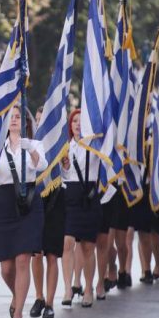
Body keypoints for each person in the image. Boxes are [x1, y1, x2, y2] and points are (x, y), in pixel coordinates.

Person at [0, 105, 46, 318]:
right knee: (6, 267)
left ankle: (18, 314)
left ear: (25, 123)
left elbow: (41, 165)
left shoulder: (34, 144)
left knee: (23, 258)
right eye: (10, 118)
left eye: (18, 117)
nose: (14, 120)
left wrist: (29, 149)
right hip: (5, 203)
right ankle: (17, 294)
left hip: (29, 201)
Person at [61, 109, 101, 307]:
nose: (77, 124)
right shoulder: (65, 147)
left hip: (89, 196)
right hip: (71, 196)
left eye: (80, 121)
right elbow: (62, 175)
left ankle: (88, 287)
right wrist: (65, 167)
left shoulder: (93, 145)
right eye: (74, 121)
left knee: (87, 247)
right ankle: (68, 288)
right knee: (67, 242)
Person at [30, 106, 65, 318]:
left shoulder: (62, 145)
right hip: (35, 200)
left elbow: (68, 173)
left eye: (44, 120)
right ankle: (39, 297)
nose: (41, 124)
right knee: (36, 253)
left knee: (52, 253)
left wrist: (66, 164)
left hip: (56, 199)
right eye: (38, 119)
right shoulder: (30, 145)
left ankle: (50, 302)